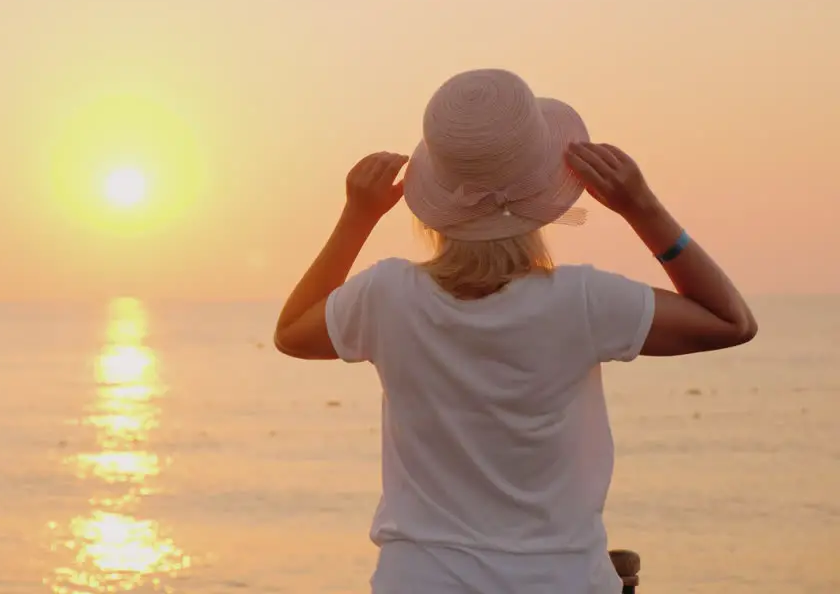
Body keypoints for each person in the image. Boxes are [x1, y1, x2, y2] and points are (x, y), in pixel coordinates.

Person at [273, 69, 757, 593]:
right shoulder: (582, 301)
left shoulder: (386, 296)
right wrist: (644, 209)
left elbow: (292, 332)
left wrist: (356, 218)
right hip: (561, 580)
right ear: (551, 188)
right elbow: (731, 321)